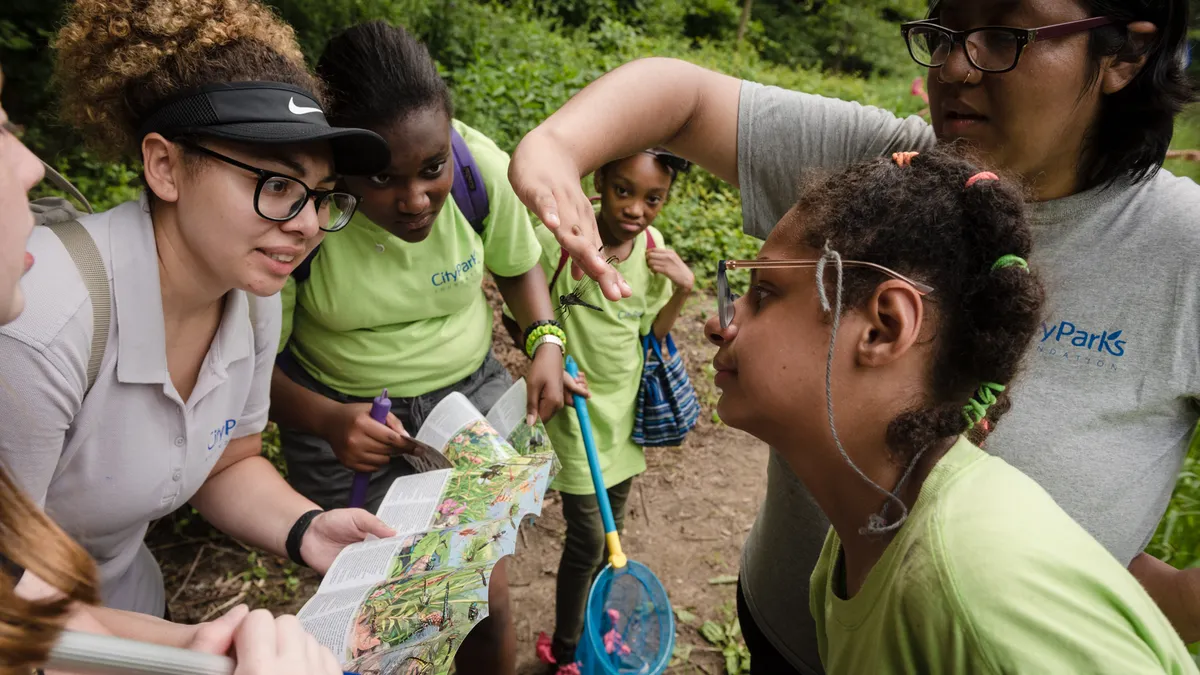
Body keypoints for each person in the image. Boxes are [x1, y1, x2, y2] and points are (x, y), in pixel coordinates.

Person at [506, 1, 1200, 671]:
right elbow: (683, 98)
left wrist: (1155, 599)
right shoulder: (888, 167)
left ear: (1128, 52)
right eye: (942, 28)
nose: (955, 65)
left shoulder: (1183, 251)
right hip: (798, 619)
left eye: (1002, 31)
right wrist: (555, 147)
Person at [706, 147, 1197, 673]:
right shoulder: (869, 528)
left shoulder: (975, 588)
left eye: (764, 292)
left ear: (883, 328)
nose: (720, 323)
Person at [0, 0, 397, 622]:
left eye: (320, 197)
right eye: (277, 186)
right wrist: (200, 652)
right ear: (165, 166)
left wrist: (307, 529)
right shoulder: (41, 330)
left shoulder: (249, 290)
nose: (308, 225)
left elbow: (228, 460)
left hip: (129, 604)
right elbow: (8, 595)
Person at [268, 20, 561, 674]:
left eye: (431, 169)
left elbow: (518, 266)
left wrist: (544, 338)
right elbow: (250, 369)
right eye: (379, 179)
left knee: (485, 594)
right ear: (340, 165)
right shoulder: (301, 214)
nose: (415, 199)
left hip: (469, 402)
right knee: (382, 622)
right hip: (345, 422)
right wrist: (324, 419)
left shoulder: (477, 171)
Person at [528, 150, 694, 671]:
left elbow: (651, 332)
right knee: (588, 539)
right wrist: (547, 356)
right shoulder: (559, 237)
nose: (637, 209)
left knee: (608, 538)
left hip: (622, 415)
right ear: (600, 181)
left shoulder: (652, 249)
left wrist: (683, 290)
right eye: (624, 191)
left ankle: (595, 633)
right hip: (575, 415)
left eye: (653, 199)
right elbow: (524, 306)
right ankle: (567, 650)